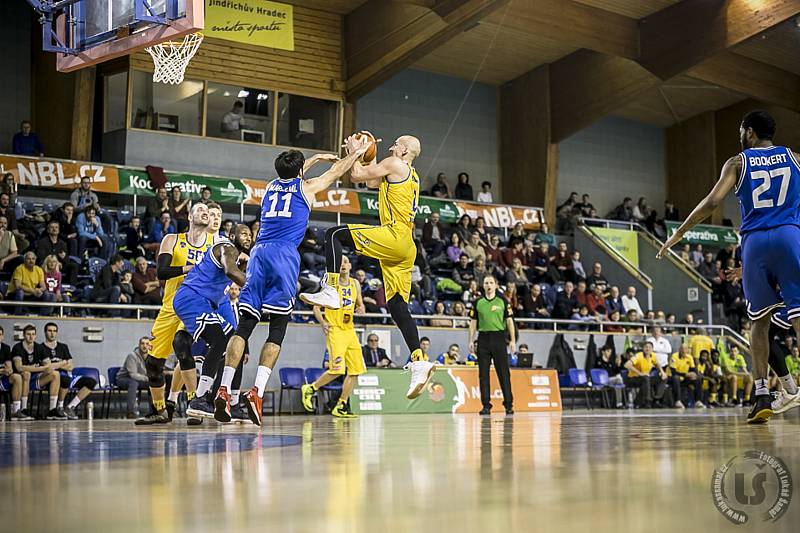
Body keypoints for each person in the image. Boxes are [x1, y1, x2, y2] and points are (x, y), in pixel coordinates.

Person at [658, 109, 800, 423]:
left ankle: (762, 392)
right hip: (790, 236)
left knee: (759, 324)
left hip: (753, 245)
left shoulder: (737, 162)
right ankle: (786, 390)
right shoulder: (794, 157)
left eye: (740, 130)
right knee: (798, 315)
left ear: (749, 132)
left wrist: (679, 233)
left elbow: (711, 203)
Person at [214, 146, 367, 426]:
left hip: (259, 254)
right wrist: (355, 154)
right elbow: (336, 172)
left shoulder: (271, 186)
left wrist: (315, 159)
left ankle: (224, 388)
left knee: (245, 325)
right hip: (284, 256)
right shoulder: (306, 188)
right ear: (300, 171)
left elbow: (293, 173)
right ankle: (256, 392)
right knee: (278, 329)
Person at [300, 134, 436, 401]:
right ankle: (419, 359)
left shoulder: (396, 164)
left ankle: (330, 289)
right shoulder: (408, 173)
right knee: (397, 305)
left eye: (396, 144)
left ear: (405, 150)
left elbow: (358, 176)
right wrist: (366, 153)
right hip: (407, 245)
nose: (391, 147)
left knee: (334, 235)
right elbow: (371, 180)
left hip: (394, 235)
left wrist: (355, 151)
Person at [136, 203, 215, 425]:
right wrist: (189, 268)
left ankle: (194, 405)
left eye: (207, 211)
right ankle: (160, 410)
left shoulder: (214, 244)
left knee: (182, 346)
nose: (205, 212)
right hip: (170, 306)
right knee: (153, 362)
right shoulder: (172, 240)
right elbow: (161, 272)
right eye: (200, 209)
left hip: (196, 306)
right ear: (189, 216)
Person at [170, 221, 250, 424]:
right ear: (232, 236)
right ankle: (200, 398)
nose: (248, 237)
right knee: (220, 342)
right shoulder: (226, 248)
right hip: (191, 298)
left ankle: (231, 402)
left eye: (250, 234)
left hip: (207, 302)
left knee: (236, 344)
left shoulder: (238, 256)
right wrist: (256, 286)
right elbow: (231, 273)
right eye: (243, 233)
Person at [301, 255, 365, 418]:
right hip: (335, 330)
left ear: (350, 266)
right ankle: (311, 388)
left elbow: (360, 303)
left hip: (349, 330)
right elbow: (316, 307)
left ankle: (341, 405)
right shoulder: (332, 282)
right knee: (337, 369)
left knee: (356, 370)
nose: (343, 264)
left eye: (345, 262)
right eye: (340, 262)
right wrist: (323, 323)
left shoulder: (355, 283)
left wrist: (361, 308)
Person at [468, 275, 515, 415]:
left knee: (503, 373)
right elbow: (473, 322)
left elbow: (509, 321)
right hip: (483, 339)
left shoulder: (503, 301)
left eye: (491, 283)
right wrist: (471, 340)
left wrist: (512, 340)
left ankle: (508, 404)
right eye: (486, 283)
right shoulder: (478, 302)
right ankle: (486, 405)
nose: (488, 285)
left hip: (499, 338)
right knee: (483, 374)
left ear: (496, 285)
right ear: (483, 285)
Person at [41, 322, 97, 420]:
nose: (52, 333)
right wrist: (63, 363)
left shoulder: (63, 347)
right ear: (45, 332)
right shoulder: (40, 348)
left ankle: (70, 407)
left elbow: (70, 366)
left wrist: (56, 365)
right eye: (50, 331)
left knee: (91, 382)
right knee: (63, 378)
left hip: (67, 376)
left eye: (54, 331)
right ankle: (59, 407)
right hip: (51, 378)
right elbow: (47, 367)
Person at [12, 324, 66, 419]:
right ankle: (23, 409)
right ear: (24, 335)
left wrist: (34, 368)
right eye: (28, 334)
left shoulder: (39, 347)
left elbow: (48, 366)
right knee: (26, 374)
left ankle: (52, 410)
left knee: (55, 374)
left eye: (33, 334)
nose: (31, 336)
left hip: (36, 379)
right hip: (21, 380)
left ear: (36, 335)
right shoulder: (17, 347)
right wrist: (40, 368)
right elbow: (19, 367)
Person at [0, 326, 33, 420]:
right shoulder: (18, 347)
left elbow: (9, 366)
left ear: (3, 336)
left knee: (17, 377)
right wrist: (2, 370)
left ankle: (16, 411)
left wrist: (9, 370)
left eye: (0, 335)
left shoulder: (5, 348)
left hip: (2, 378)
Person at [117, 337, 153, 418]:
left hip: (140, 379)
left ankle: (154, 411)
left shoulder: (151, 357)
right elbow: (133, 375)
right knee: (133, 383)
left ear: (150, 346)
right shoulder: (132, 356)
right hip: (123, 378)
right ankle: (131, 412)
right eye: (142, 343)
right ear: (139, 345)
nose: (144, 346)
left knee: (153, 384)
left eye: (147, 344)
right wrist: (148, 378)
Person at [625, 341, 667, 408]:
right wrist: (640, 373)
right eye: (646, 347)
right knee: (646, 378)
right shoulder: (638, 355)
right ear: (643, 348)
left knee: (663, 378)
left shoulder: (653, 355)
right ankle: (648, 401)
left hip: (645, 379)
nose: (648, 349)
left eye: (650, 347)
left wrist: (662, 372)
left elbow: (657, 364)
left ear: (652, 349)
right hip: (633, 379)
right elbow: (627, 365)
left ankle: (656, 399)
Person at [35, 220, 77, 285]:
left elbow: (67, 261)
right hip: (47, 266)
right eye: (52, 227)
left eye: (56, 227)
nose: (54, 229)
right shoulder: (42, 242)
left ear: (59, 230)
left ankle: (71, 287)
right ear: (48, 230)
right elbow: (40, 259)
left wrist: (64, 258)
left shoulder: (63, 244)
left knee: (73, 266)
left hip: (60, 267)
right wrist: (55, 263)